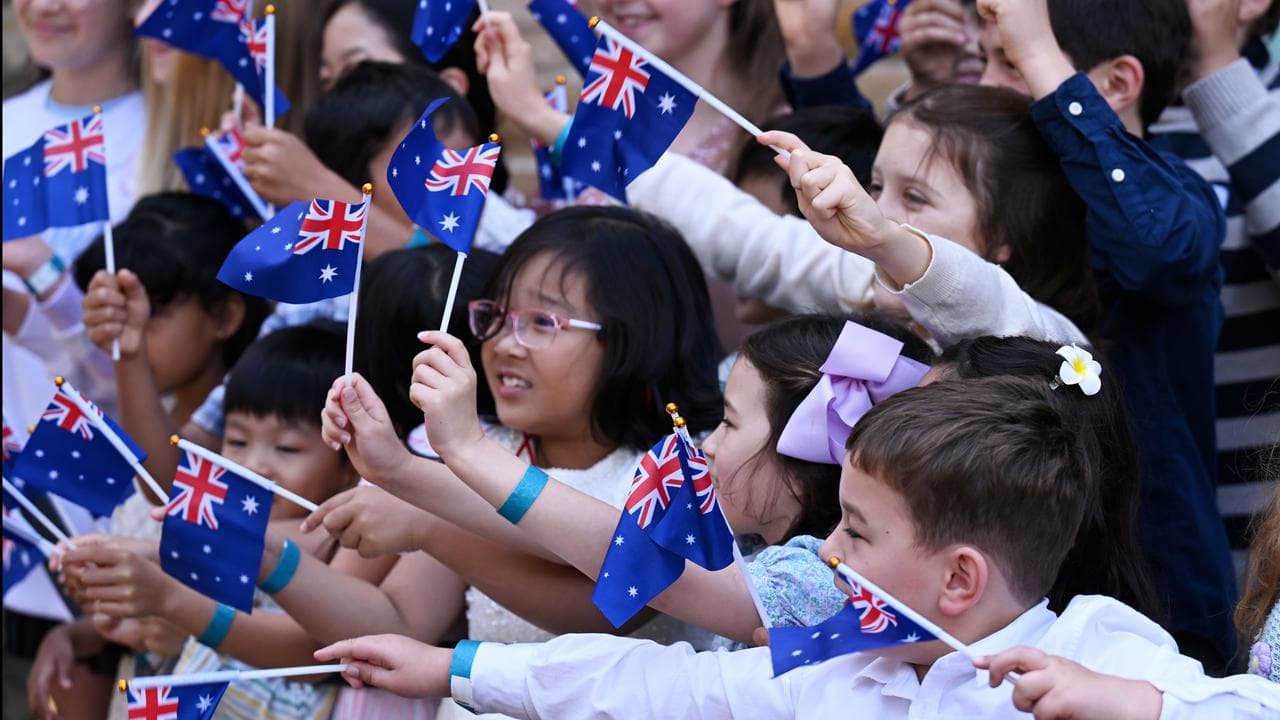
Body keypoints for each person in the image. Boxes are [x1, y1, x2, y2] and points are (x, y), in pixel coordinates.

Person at [314, 378, 1280, 718]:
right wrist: (454, 666)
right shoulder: (842, 663)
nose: (825, 554)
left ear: (961, 577)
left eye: (856, 532)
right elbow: (661, 687)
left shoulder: (1104, 653)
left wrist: (1143, 702)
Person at [977, 0, 1235, 672]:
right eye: (989, 59)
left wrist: (1040, 57)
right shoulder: (1000, 197)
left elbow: (1155, 250)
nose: (984, 82)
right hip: (1000, 597)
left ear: (1116, 85)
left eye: (1007, 61)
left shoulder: (1180, 194)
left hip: (1158, 603)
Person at [56, 323, 379, 720]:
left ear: (351, 463)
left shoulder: (346, 544)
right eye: (238, 441)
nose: (254, 467)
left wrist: (174, 592)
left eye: (287, 448)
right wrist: (138, 630)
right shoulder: (219, 534)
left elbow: (292, 697)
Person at [1146, 0, 1280, 584]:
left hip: (1261, 534)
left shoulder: (1263, 104)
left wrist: (1217, 68)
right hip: (1149, 538)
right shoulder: (1106, 107)